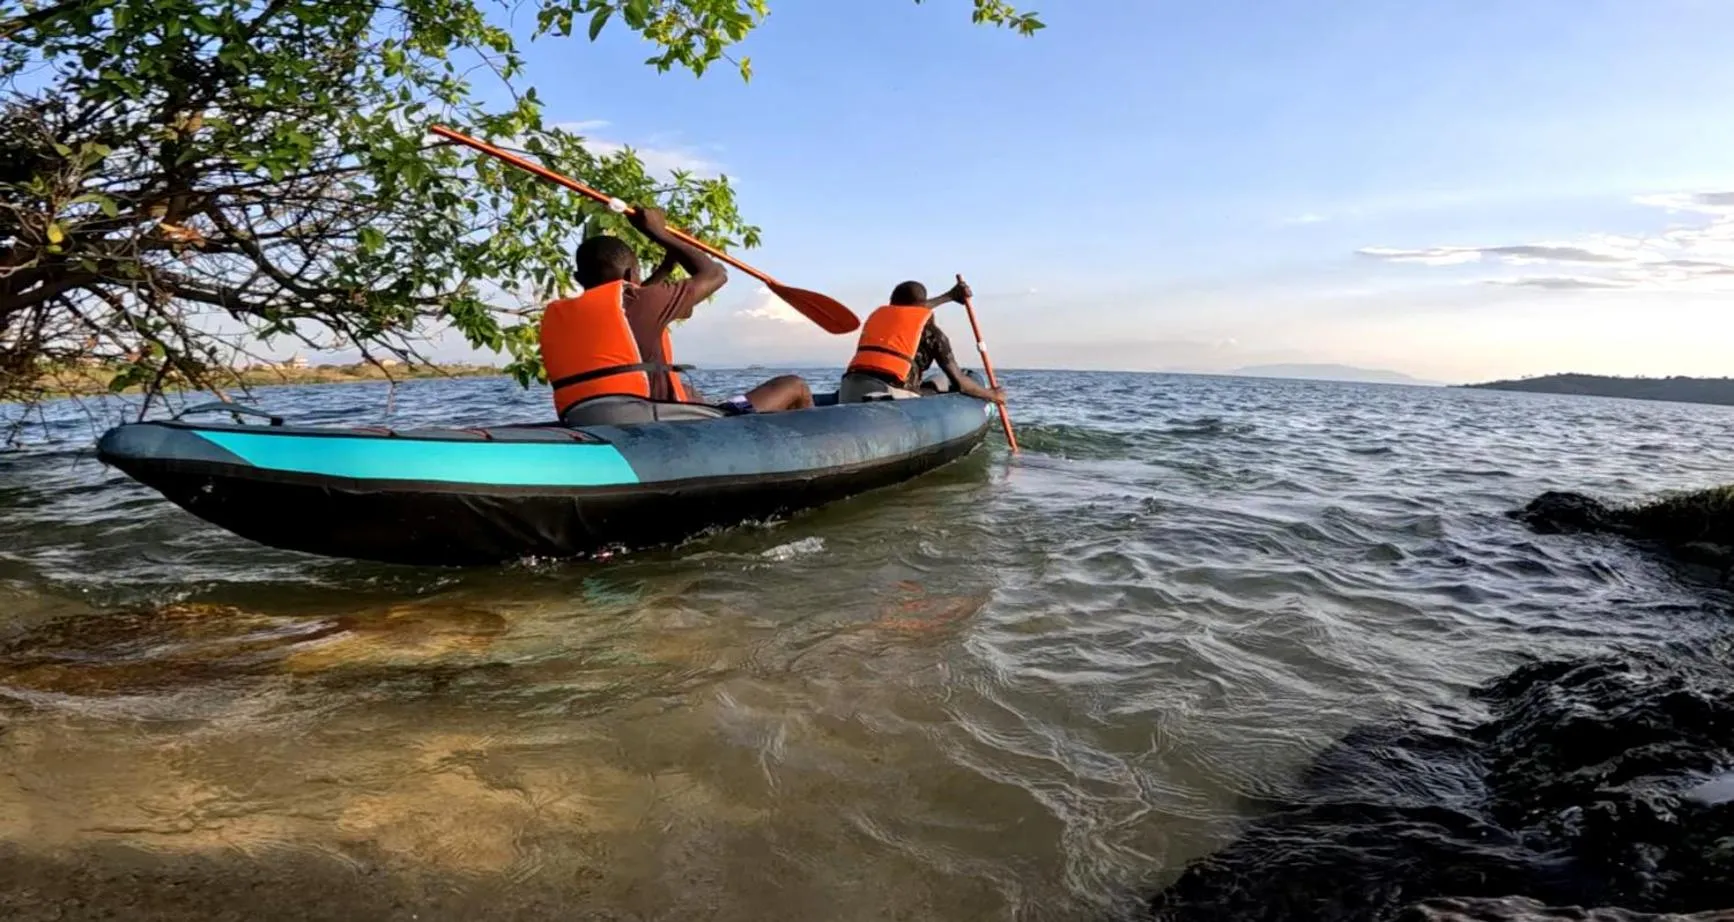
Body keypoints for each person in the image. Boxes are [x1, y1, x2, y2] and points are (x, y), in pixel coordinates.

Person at [541, 205, 813, 426]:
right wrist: (660, 234)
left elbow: (634, 306)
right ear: (631, 275)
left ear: (578, 278)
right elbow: (715, 274)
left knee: (690, 393)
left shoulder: (561, 314)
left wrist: (666, 267)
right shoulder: (638, 302)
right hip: (640, 418)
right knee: (794, 385)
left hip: (581, 417)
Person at [838, 279, 1007, 404]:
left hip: (848, 390)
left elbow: (912, 308)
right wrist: (993, 395)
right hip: (890, 395)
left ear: (891, 303)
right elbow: (962, 384)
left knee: (931, 384)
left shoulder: (878, 320)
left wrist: (950, 296)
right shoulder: (934, 335)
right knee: (936, 388)